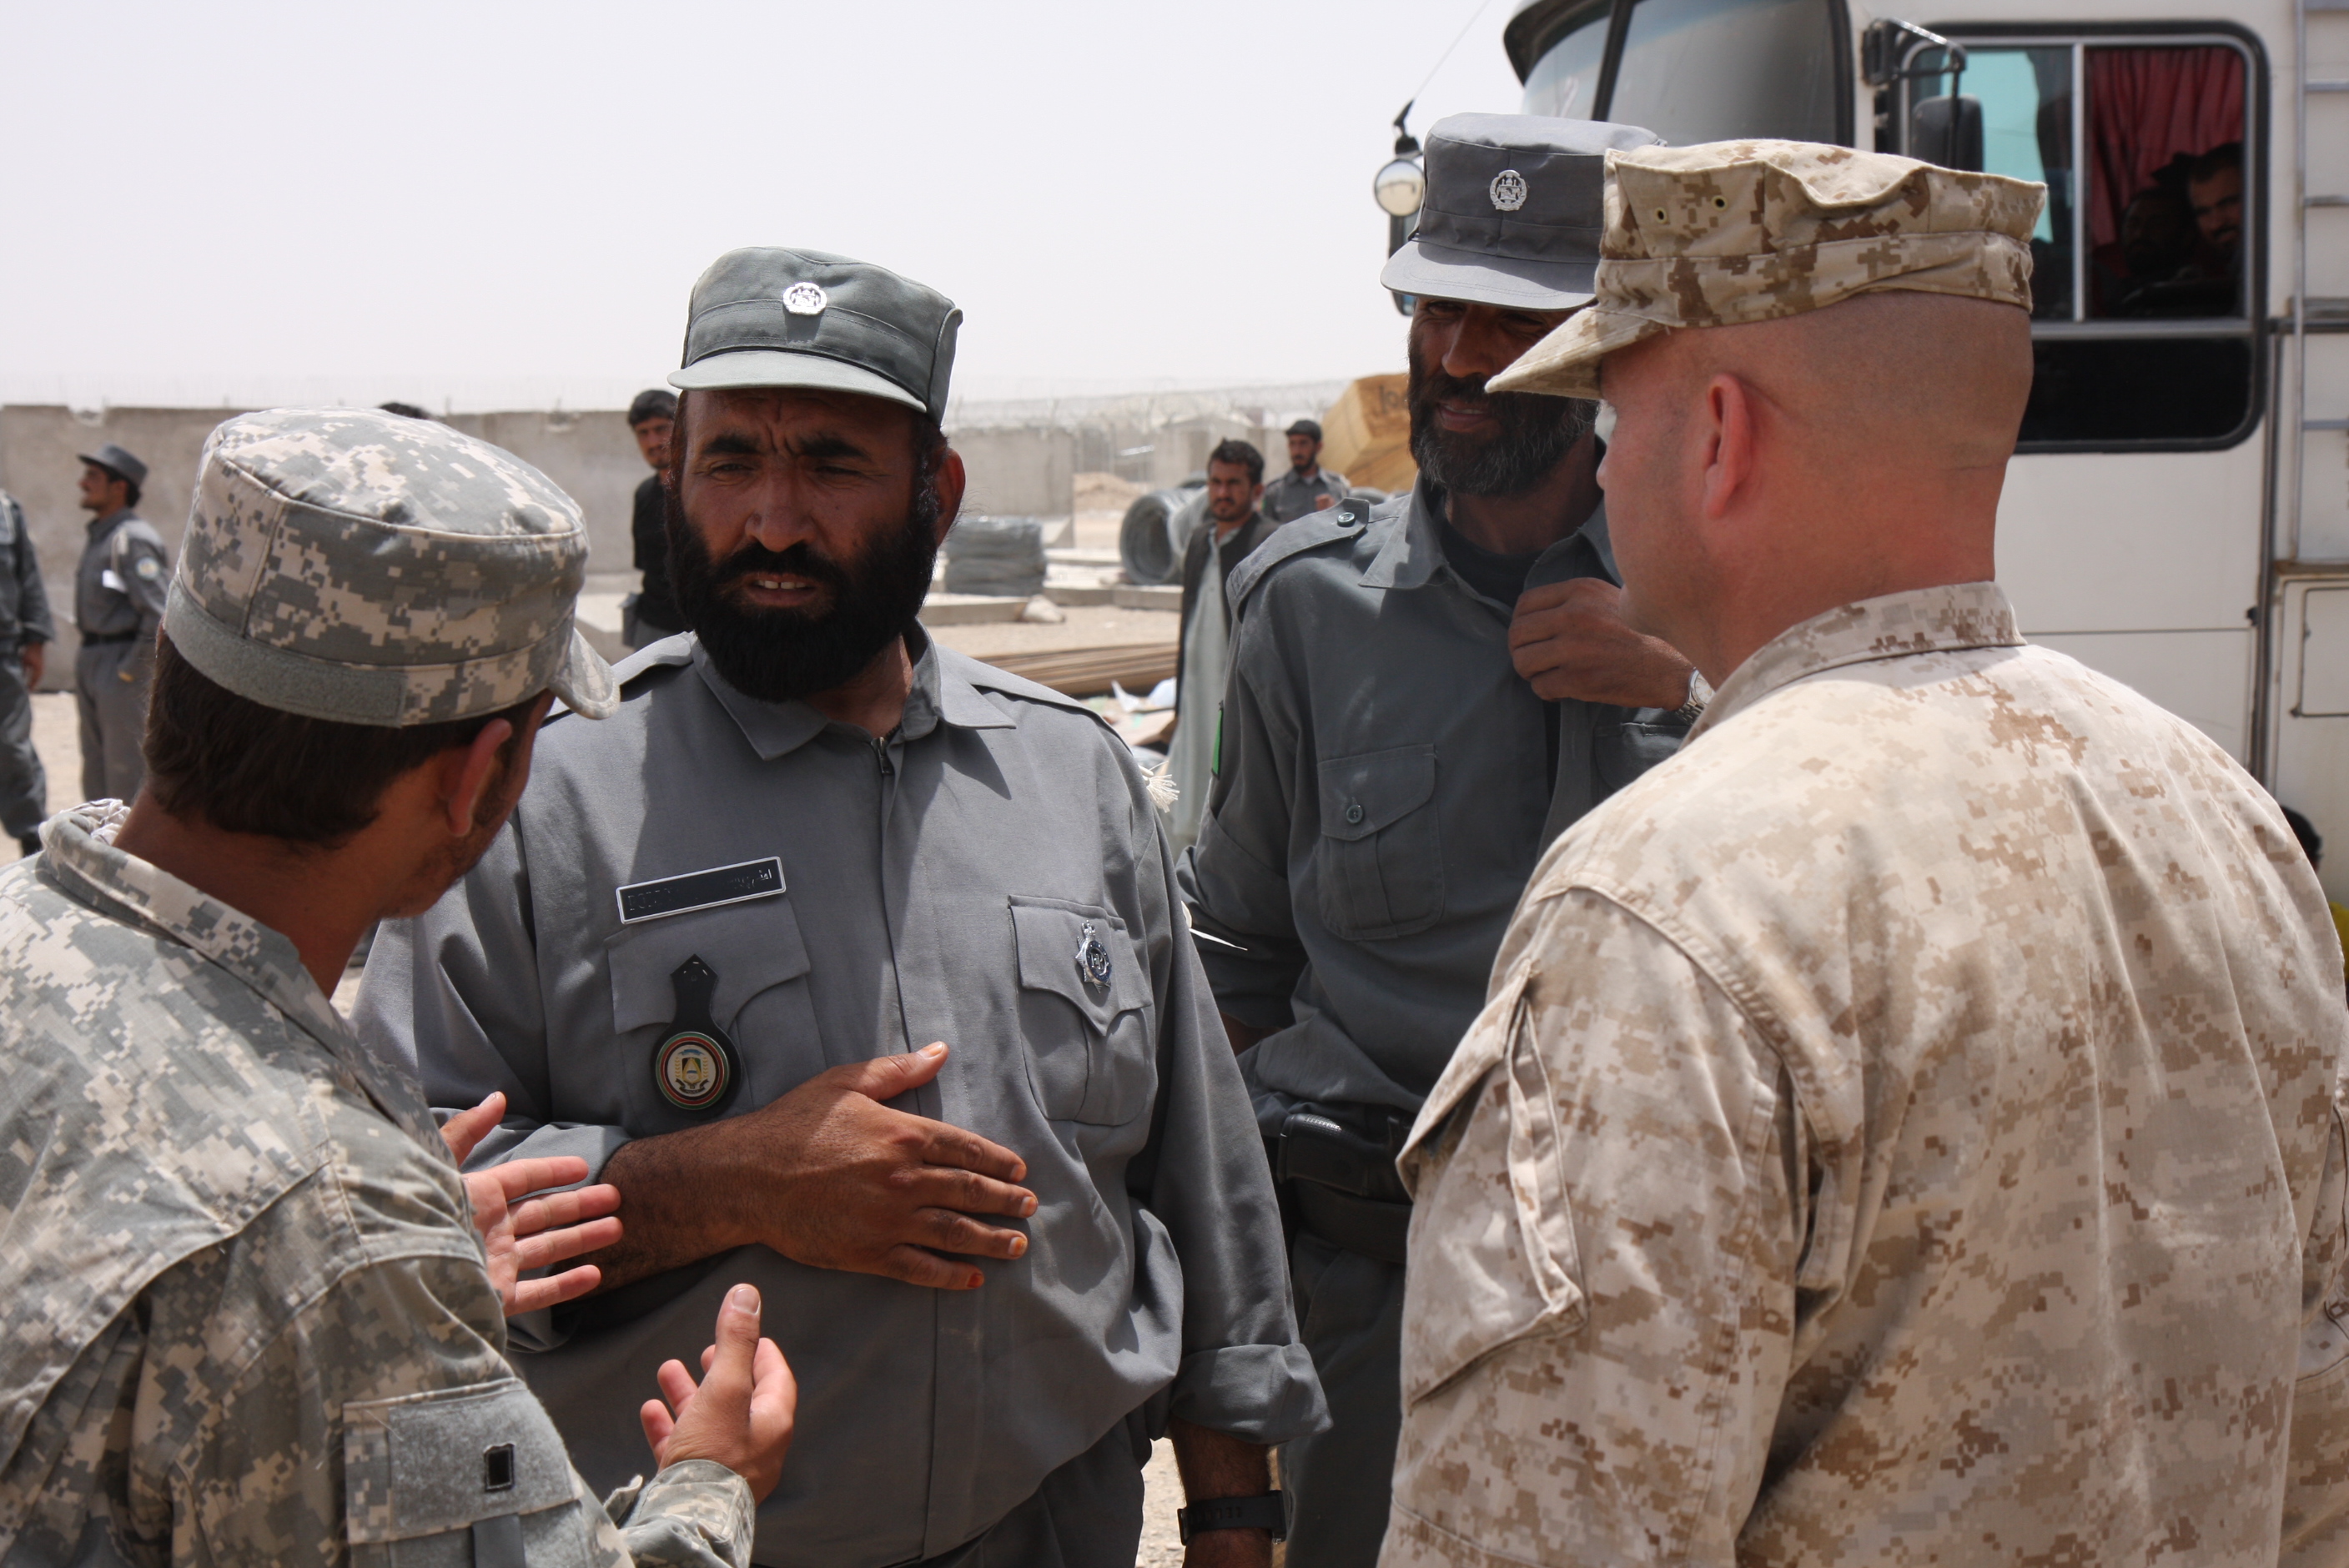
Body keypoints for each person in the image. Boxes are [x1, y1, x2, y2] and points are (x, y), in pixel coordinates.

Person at [1381, 139, 2349, 1565]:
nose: (1598, 460)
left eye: (1617, 415)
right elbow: (2315, 1454)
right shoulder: (2224, 817)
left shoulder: (1667, 902)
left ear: (1717, 435)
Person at [357, 248, 1325, 1568]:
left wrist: (1230, 1509)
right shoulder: (546, 792)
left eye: (829, 463)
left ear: (940, 494)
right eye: (730, 462)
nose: (770, 520)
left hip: (1051, 1524)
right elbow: (401, 1215)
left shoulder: (1072, 773)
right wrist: (728, 1182)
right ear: (672, 474)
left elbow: (1197, 1181)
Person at [0, 407, 795, 1565]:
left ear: (170, 665)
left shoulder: (30, 930)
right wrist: (713, 1481)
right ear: (483, 776)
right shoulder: (333, 1230)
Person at [1177, 114, 1703, 1567]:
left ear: (1613, 340)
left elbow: (1878, 842)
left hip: (1671, 1289)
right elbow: (1233, 951)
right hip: (1375, 1306)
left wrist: (1693, 679)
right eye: (1439, 307)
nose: (1461, 356)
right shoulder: (1305, 607)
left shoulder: (1737, 600)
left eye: (1513, 316)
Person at [1164, 438, 1275, 851]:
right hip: (1194, 696)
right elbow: (1187, 626)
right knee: (1185, 792)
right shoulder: (1198, 540)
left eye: (1234, 483)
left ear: (1257, 491)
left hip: (1237, 699)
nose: (1223, 493)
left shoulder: (1269, 541)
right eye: (1215, 482)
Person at [71, 442, 168, 804]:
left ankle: (127, 856)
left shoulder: (133, 539)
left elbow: (158, 611)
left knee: (124, 768)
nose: (82, 484)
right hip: (93, 659)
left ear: (119, 487)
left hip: (120, 664)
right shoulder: (102, 535)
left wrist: (128, 672)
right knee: (95, 765)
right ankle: (97, 851)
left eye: (92, 476)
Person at [0, 486, 54, 855]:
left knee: (11, 745)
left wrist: (35, 640)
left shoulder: (5, 510)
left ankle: (33, 838)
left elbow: (27, 574)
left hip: (3, 651)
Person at [624, 388, 686, 648]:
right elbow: (646, 566)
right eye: (643, 433)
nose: (652, 442)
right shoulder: (644, 494)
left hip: (699, 631)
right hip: (652, 629)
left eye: (661, 429)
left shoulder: (707, 495)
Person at [1260, 420, 1348, 524]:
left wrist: (1334, 511)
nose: (1297, 451)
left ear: (1318, 447)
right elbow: (1267, 533)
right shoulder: (1275, 491)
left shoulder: (1338, 486)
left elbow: (1351, 527)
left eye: (1303, 443)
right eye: (1293, 444)